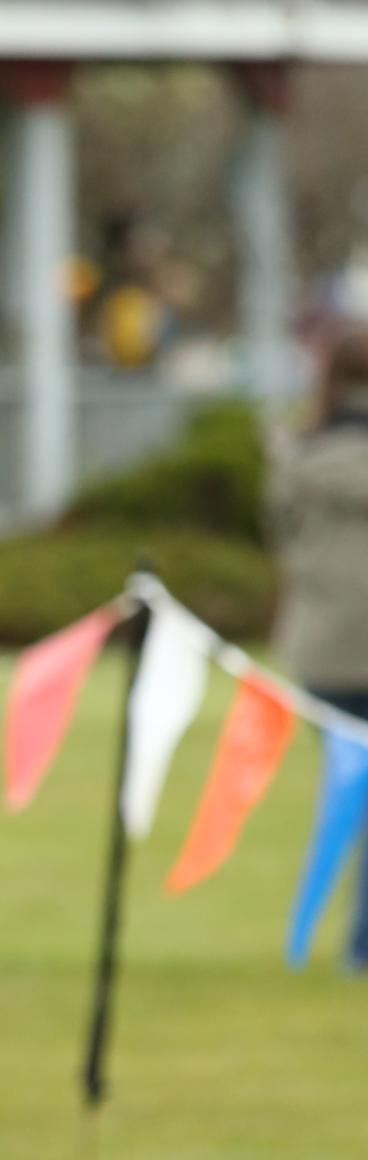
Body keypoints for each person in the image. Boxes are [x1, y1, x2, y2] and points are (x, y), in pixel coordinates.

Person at [271, 320, 368, 973]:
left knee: (352, 796)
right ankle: (360, 945)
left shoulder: (300, 456)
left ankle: (350, 941)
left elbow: (280, 536)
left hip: (321, 652)